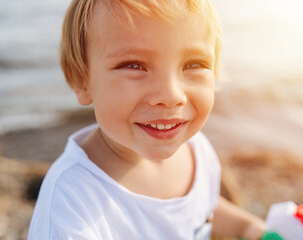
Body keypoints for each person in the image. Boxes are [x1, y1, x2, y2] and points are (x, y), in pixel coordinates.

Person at [28, 0, 265, 239]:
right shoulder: (70, 207)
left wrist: (248, 227)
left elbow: (199, 208)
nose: (171, 95)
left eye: (194, 64)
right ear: (81, 78)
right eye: (134, 65)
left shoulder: (197, 150)